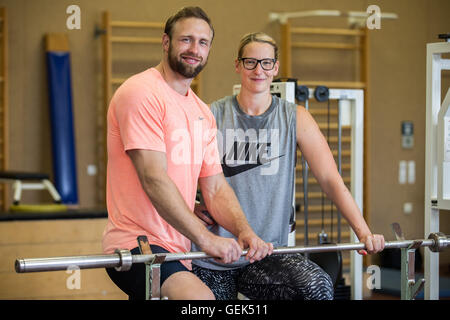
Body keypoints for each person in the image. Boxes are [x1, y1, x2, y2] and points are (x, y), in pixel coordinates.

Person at [192, 32, 385, 300]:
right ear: (237, 65)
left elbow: (330, 179)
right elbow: (174, 175)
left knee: (316, 286)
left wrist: (364, 232)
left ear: (276, 68)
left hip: (266, 254)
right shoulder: (211, 115)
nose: (259, 70)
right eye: (250, 62)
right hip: (214, 254)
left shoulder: (295, 118)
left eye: (266, 63)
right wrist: (190, 204)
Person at [102, 9, 272, 300]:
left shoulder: (201, 113)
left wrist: (245, 232)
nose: (195, 49)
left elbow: (216, 188)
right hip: (137, 244)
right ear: (166, 42)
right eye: (187, 40)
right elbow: (153, 177)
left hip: (178, 250)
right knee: (201, 301)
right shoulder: (141, 92)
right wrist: (206, 239)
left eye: (203, 42)